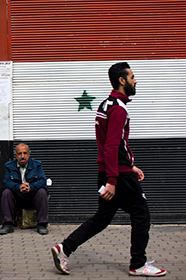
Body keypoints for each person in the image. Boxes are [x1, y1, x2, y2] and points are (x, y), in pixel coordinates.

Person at [51, 62, 167, 277]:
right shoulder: (118, 109)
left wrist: (129, 165)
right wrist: (113, 179)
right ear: (122, 80)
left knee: (103, 217)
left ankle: (64, 249)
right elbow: (112, 145)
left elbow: (111, 145)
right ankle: (138, 264)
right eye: (132, 77)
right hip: (116, 175)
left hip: (112, 170)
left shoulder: (106, 104)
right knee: (141, 214)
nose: (135, 80)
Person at [0, 143, 49, 235]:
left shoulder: (37, 165)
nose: (22, 156)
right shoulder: (9, 166)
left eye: (25, 153)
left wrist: (31, 187)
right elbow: (7, 182)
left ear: (29, 154)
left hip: (32, 195)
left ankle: (42, 224)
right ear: (15, 155)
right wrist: (18, 187)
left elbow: (42, 181)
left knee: (42, 192)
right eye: (20, 153)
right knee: (6, 193)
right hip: (17, 195)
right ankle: (7, 223)